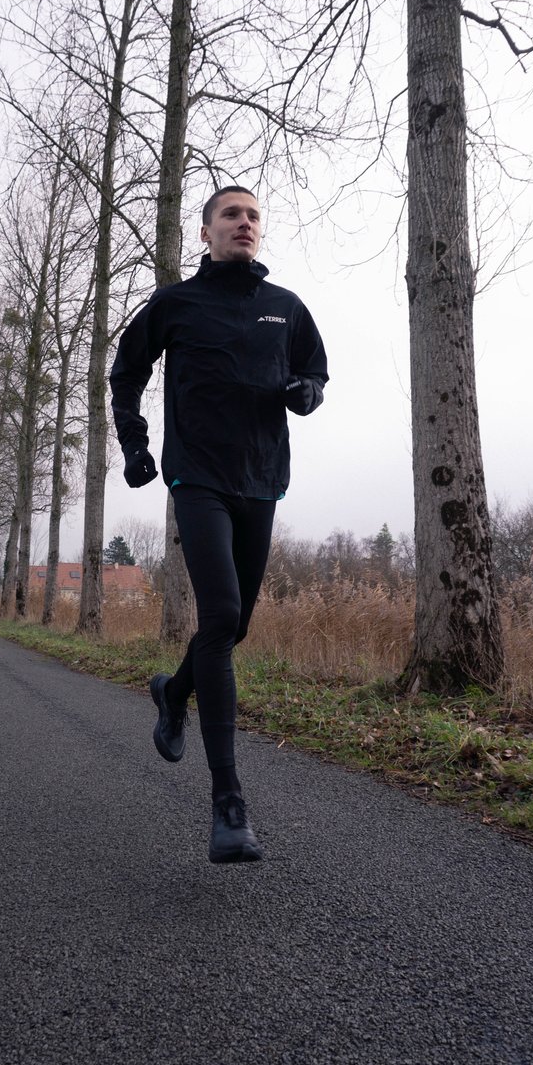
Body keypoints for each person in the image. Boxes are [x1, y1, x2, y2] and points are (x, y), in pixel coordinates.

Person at [109, 186, 328, 864]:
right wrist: (136, 444)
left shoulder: (286, 308)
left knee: (232, 629)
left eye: (253, 215)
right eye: (231, 214)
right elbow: (126, 372)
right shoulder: (175, 303)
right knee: (223, 612)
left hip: (262, 480)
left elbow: (315, 376)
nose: (244, 223)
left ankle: (174, 692)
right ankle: (229, 804)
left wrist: (306, 393)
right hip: (196, 477)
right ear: (205, 232)